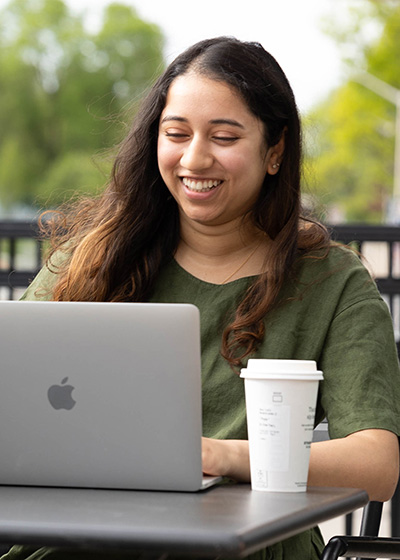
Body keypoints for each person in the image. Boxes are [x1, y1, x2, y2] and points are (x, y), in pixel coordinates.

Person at [3, 36, 400, 560]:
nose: (195, 158)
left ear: (275, 150)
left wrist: (222, 457)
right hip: (80, 537)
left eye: (224, 136)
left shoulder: (334, 283)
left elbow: (377, 465)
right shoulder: (92, 259)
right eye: (176, 133)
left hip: (245, 548)